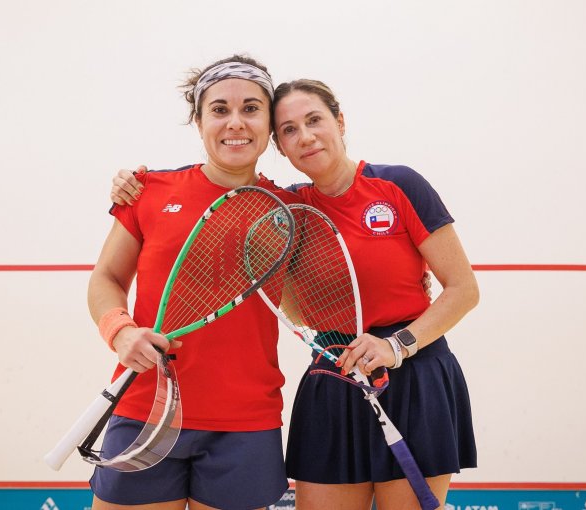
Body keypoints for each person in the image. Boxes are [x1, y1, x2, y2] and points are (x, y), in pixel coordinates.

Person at [110, 79, 480, 509]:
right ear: (279, 146)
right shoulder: (286, 209)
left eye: (314, 120)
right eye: (288, 130)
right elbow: (294, 306)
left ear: (339, 122)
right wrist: (129, 184)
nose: (304, 136)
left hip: (413, 375)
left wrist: (396, 345)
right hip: (333, 375)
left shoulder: (399, 185)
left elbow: (463, 290)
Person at [87, 55, 292, 510]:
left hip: (245, 423)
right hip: (145, 407)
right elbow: (107, 277)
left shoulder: (290, 209)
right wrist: (120, 331)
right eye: (219, 109)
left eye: (251, 108)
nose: (235, 122)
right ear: (198, 121)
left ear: (270, 124)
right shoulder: (148, 190)